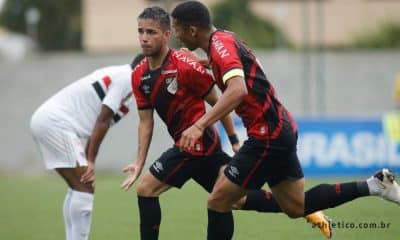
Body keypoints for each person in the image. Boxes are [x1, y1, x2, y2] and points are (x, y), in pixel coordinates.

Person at [171, 1, 400, 239]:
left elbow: (238, 89)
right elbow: (241, 67)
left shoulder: (220, 48)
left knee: (219, 200)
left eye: (176, 29)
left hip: (267, 135)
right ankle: (374, 185)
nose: (176, 35)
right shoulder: (224, 39)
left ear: (192, 30)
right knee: (295, 206)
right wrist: (203, 63)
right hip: (278, 129)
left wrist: (199, 125)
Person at [121, 6, 331, 240]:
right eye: (140, 32)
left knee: (146, 189)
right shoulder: (138, 74)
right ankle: (307, 210)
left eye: (151, 32)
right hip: (195, 143)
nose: (144, 38)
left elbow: (220, 101)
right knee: (235, 200)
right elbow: (145, 122)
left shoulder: (184, 63)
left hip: (196, 144)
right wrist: (139, 162)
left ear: (167, 34)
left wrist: (231, 138)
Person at [30, 53, 144, 240]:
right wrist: (90, 160)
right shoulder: (127, 77)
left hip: (53, 122)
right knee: (85, 186)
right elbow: (103, 119)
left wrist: (90, 159)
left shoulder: (128, 89)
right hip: (56, 123)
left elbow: (99, 125)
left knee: (79, 186)